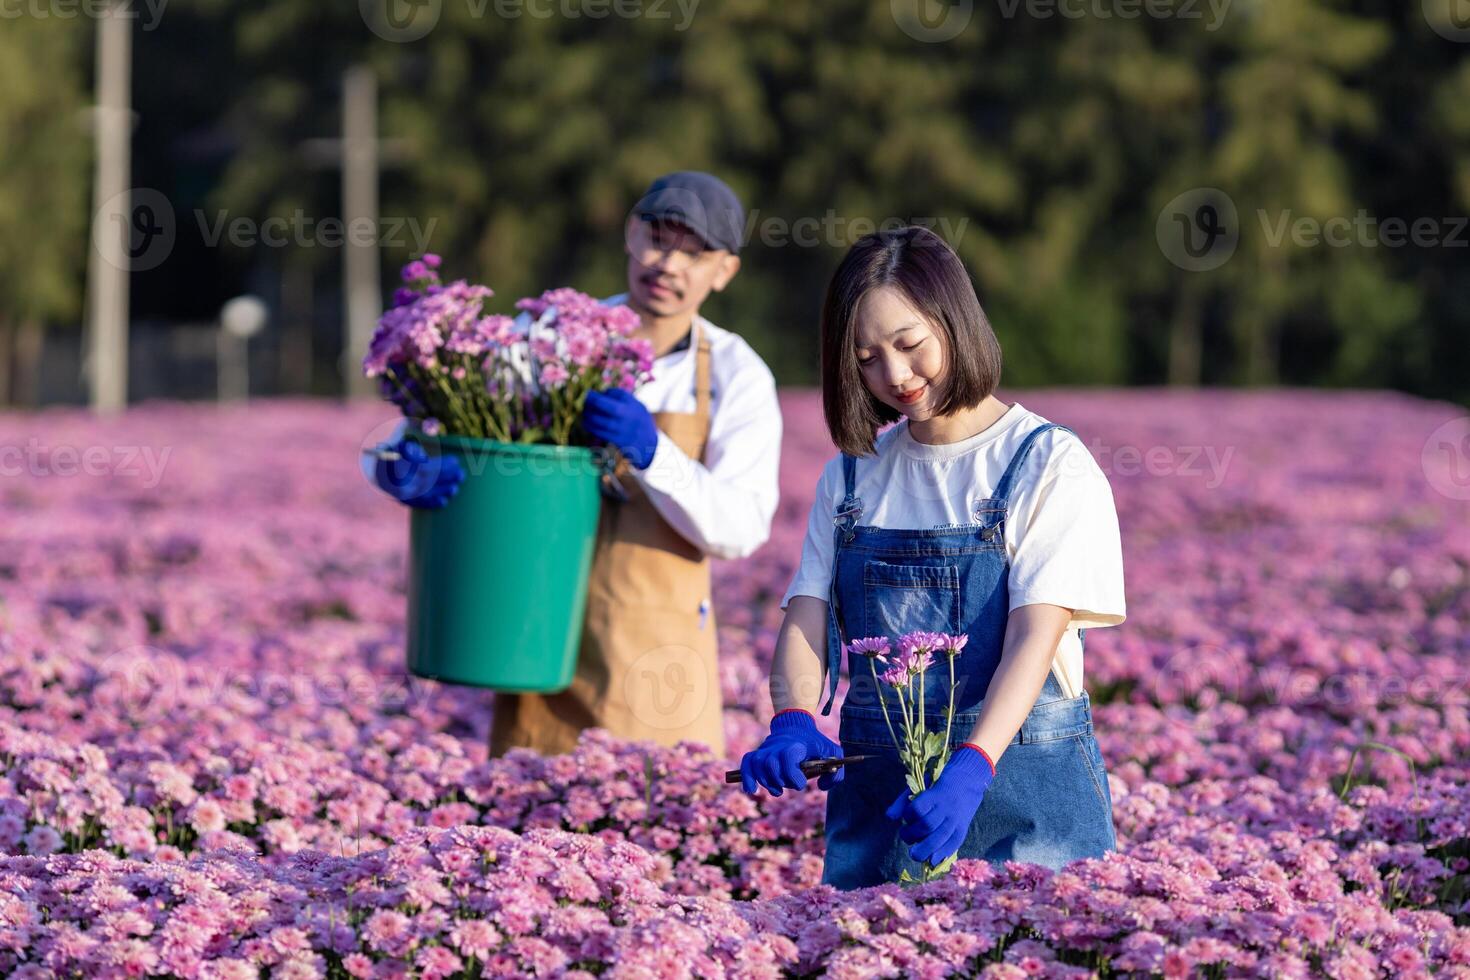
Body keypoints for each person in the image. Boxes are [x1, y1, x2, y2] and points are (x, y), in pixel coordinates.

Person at [737, 225, 1126, 890]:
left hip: (1020, 802)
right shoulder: (853, 477)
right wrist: (792, 718)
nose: (894, 375)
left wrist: (973, 765)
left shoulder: (1047, 463)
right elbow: (805, 613)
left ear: (956, 321)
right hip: (885, 807)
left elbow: (1037, 636)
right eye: (865, 358)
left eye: (910, 345)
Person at [370, 171, 782, 760]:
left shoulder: (737, 375)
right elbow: (417, 431)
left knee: (653, 819)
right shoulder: (549, 338)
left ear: (724, 272)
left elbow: (742, 527)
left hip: (657, 661)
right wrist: (395, 463)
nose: (669, 264)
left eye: (696, 253)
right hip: (535, 640)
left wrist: (653, 454)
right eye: (658, 239)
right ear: (629, 234)